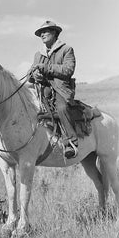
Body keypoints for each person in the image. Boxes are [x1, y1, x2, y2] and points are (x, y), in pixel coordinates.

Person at [28, 20, 78, 159]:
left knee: (61, 108)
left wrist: (46, 68)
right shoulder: (38, 55)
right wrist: (35, 75)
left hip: (61, 90)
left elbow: (68, 70)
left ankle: (71, 143)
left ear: (55, 33)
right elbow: (31, 75)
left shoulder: (66, 49)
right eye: (40, 33)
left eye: (45, 31)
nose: (42, 34)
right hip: (43, 91)